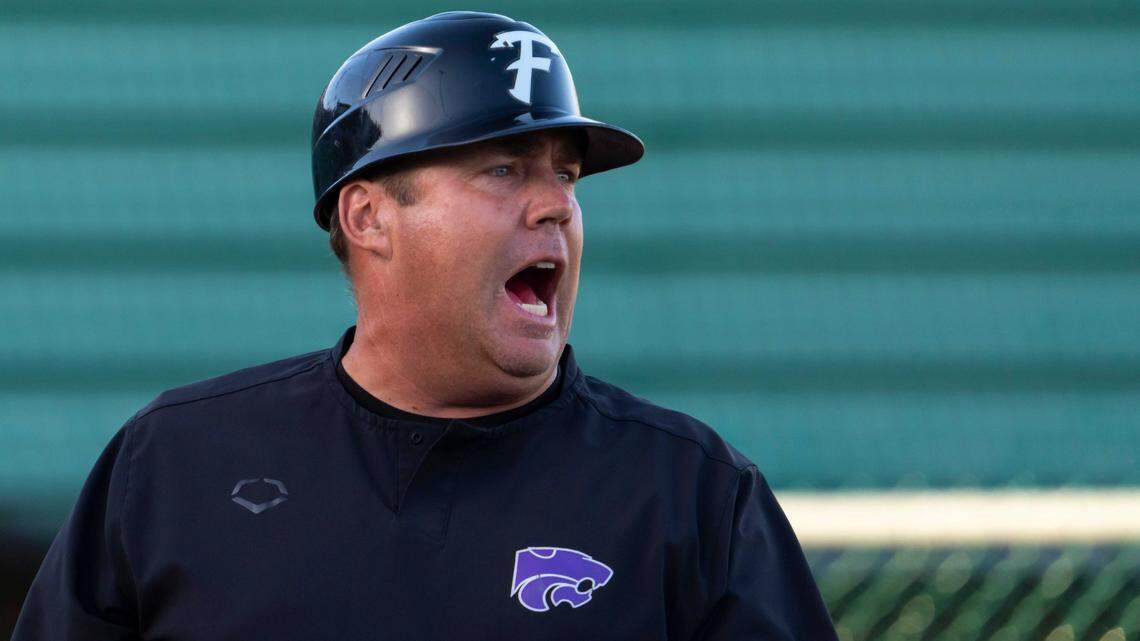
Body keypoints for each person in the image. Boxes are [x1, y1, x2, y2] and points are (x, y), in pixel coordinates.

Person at [13, 11, 838, 640]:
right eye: (504, 169)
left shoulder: (692, 495)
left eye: (566, 175)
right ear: (369, 216)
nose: (556, 204)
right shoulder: (175, 465)